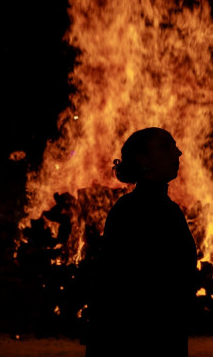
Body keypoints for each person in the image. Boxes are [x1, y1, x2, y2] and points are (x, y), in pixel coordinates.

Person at [85, 127, 197, 357]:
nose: (178, 152)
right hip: (138, 338)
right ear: (142, 159)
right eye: (165, 146)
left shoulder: (168, 209)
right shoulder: (130, 211)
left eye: (174, 145)